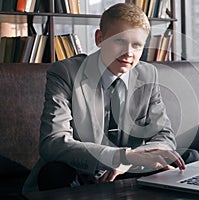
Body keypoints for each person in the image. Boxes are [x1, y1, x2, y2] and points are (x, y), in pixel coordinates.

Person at [22, 3, 189, 193]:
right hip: (80, 172)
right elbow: (53, 142)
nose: (129, 53)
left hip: (124, 172)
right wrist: (120, 157)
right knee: (55, 172)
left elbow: (164, 136)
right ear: (99, 38)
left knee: (187, 157)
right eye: (119, 41)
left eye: (137, 45)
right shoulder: (66, 72)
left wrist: (130, 161)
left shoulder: (148, 74)